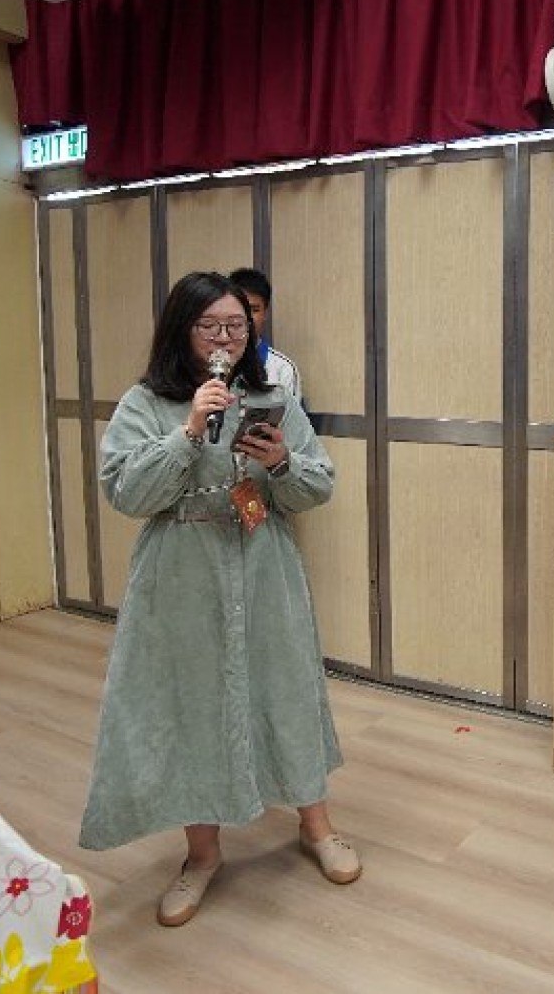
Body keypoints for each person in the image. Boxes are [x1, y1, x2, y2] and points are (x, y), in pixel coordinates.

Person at [79, 271, 356, 928]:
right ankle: (201, 855)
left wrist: (282, 461)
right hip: (181, 574)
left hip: (263, 566)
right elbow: (126, 493)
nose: (225, 338)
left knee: (286, 689)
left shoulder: (272, 397)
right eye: (210, 326)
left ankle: (316, 826)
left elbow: (318, 485)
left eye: (237, 326)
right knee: (191, 704)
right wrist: (187, 431)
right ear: (183, 331)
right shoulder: (145, 403)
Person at [230, 267, 305, 405]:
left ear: (265, 313)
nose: (247, 317)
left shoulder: (282, 369)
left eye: (254, 310)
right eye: (241, 308)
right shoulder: (215, 361)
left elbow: (290, 417)